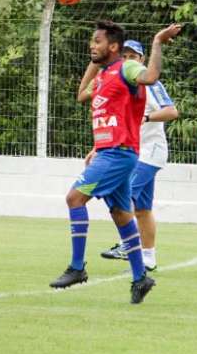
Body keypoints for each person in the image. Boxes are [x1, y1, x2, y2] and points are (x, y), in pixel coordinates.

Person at [49, 21, 182, 304]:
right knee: (122, 216)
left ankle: (76, 268)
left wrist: (157, 41)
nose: (91, 45)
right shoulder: (104, 75)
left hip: (119, 154)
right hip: (109, 151)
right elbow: (81, 95)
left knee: (74, 199)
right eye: (91, 42)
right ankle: (140, 278)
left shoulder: (126, 67)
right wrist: (97, 146)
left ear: (113, 47)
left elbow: (151, 75)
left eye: (97, 41)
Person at [99, 39, 179, 272]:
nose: (128, 60)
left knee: (124, 198)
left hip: (150, 151)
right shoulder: (122, 85)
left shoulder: (150, 85)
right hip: (134, 152)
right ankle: (148, 257)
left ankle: (127, 244)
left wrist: (146, 118)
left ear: (142, 60)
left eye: (133, 56)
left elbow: (172, 111)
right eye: (124, 56)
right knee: (143, 210)